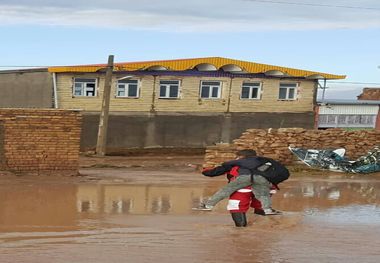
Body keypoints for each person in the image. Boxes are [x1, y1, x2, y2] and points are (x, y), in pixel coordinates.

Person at [197, 149, 289, 215]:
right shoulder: (264, 161)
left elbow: (222, 168)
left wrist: (204, 170)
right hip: (261, 178)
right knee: (263, 195)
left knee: (225, 190)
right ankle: (268, 210)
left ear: (242, 156)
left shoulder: (239, 162)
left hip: (244, 178)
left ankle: (208, 206)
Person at [202, 164, 279, 227]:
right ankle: (273, 224)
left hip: (242, 189)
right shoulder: (265, 164)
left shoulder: (233, 165)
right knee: (261, 206)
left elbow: (211, 172)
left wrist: (204, 169)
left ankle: (241, 230)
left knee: (236, 208)